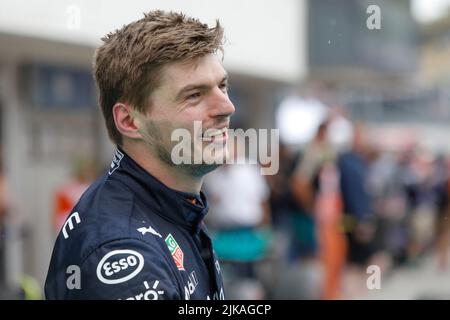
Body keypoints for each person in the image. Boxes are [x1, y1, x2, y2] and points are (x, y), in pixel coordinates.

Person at [45, 10, 235, 300]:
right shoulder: (123, 250)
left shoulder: (174, 204)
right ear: (130, 121)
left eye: (222, 86)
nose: (226, 108)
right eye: (194, 95)